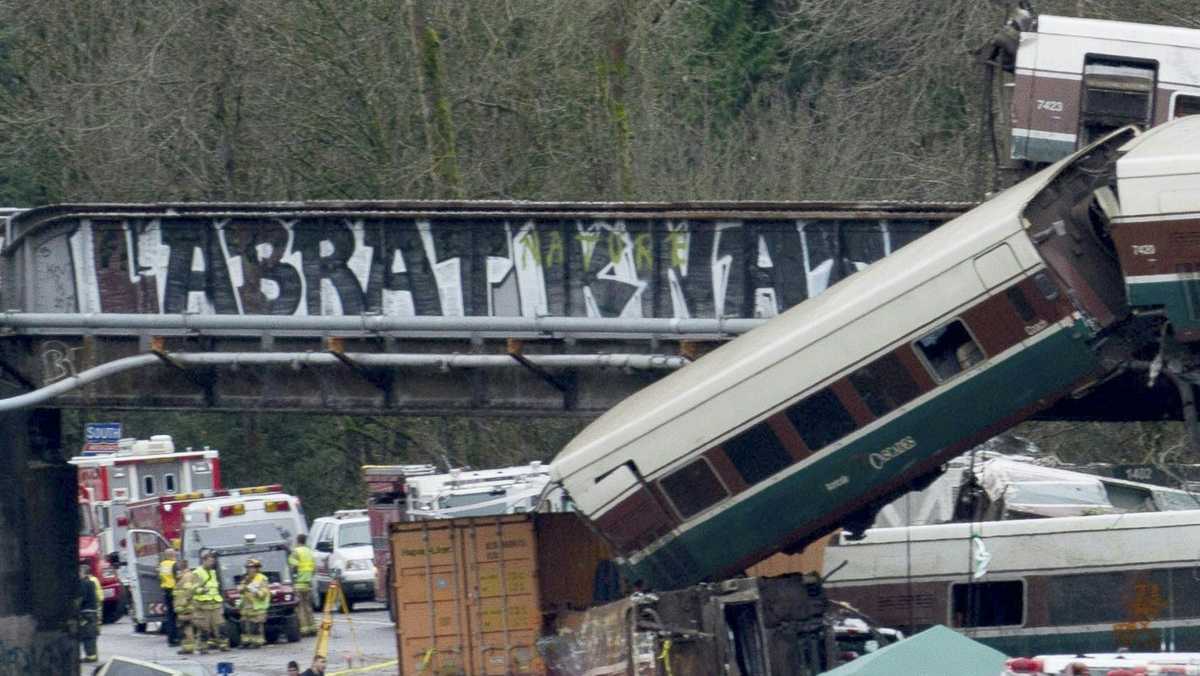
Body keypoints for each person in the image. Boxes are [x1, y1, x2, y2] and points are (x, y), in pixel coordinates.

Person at [191, 550, 230, 653]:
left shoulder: (213, 572)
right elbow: (193, 589)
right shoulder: (197, 573)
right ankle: (202, 647)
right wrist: (202, 590)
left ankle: (223, 644)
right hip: (203, 605)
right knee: (204, 628)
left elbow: (215, 586)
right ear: (204, 560)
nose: (212, 563)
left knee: (221, 625)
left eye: (212, 560)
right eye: (210, 560)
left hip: (215, 604)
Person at [237, 558, 271, 648]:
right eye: (248, 567)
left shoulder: (261, 579)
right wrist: (241, 588)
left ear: (257, 568)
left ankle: (257, 642)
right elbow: (240, 588)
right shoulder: (246, 578)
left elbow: (263, 593)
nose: (249, 569)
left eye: (251, 567)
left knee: (255, 626)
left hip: (257, 608)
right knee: (244, 625)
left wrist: (254, 590)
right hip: (246, 607)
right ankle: (246, 642)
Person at [288, 534, 317, 636]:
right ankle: (313, 627)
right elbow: (314, 568)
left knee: (300, 608)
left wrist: (294, 577)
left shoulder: (296, 552)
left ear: (297, 541)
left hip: (299, 584)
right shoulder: (309, 552)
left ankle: (304, 629)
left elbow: (293, 566)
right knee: (308, 607)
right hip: (308, 584)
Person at [173, 559, 198, 655]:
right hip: (181, 606)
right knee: (186, 627)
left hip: (185, 606)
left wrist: (184, 602)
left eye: (179, 564)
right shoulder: (182, 575)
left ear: (183, 565)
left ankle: (188, 648)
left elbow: (189, 590)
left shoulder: (187, 576)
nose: (177, 566)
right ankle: (187, 647)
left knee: (185, 626)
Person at [78, 562, 101, 663]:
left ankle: (91, 656)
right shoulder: (92, 583)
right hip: (93, 612)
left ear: (83, 573)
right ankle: (92, 655)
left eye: (79, 572)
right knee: (91, 634)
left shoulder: (83, 583)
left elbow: (81, 598)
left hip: (86, 613)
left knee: (87, 635)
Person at [158, 548, 178, 645]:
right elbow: (177, 577)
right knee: (177, 615)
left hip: (166, 591)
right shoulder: (174, 564)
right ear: (173, 555)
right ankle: (176, 637)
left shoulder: (162, 564)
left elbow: (160, 577)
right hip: (174, 591)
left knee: (170, 616)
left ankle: (171, 639)